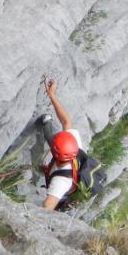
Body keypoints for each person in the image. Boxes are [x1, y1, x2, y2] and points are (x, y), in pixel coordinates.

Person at [38, 77, 90, 211]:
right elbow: (66, 121)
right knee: (53, 139)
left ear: (54, 153)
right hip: (65, 166)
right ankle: (46, 123)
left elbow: (48, 206)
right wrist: (51, 94)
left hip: (62, 193)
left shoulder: (60, 182)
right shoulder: (74, 142)